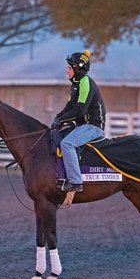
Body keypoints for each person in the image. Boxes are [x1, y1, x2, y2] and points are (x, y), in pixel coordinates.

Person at [52, 49, 106, 192]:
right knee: (56, 136)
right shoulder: (76, 84)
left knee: (67, 143)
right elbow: (69, 107)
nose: (67, 70)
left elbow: (80, 110)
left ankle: (76, 182)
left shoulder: (85, 82)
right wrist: (58, 118)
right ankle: (61, 176)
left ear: (78, 68)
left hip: (94, 127)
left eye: (69, 67)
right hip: (83, 126)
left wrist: (62, 120)